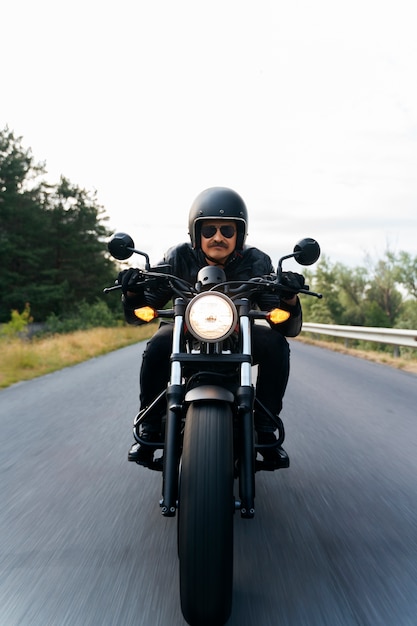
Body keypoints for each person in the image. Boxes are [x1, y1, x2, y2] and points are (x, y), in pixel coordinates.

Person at [119, 187, 305, 468]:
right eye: (209, 230)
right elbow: (141, 310)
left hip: (239, 334)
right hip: (185, 333)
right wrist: (132, 290)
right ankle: (150, 426)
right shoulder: (177, 257)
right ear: (196, 233)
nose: (218, 237)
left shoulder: (257, 261)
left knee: (275, 344)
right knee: (158, 343)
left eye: (227, 230)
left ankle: (266, 430)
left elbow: (279, 320)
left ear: (239, 235)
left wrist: (289, 295)